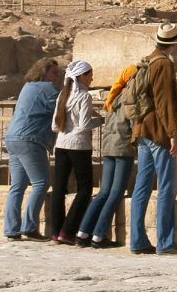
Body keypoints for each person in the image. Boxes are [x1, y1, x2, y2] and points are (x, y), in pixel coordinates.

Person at [129, 24, 177, 255]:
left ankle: (137, 240)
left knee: (141, 187)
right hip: (158, 132)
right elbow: (165, 103)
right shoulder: (163, 64)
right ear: (174, 44)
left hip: (142, 129)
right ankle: (165, 242)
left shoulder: (147, 60)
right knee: (166, 186)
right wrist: (173, 134)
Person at [75, 63, 137, 248]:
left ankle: (82, 232)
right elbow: (133, 124)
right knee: (115, 193)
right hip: (123, 148)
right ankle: (99, 235)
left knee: (103, 192)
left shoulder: (113, 96)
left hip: (108, 148)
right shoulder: (130, 97)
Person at [3, 58, 62, 241]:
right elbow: (63, 105)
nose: (56, 77)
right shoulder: (48, 89)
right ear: (43, 72)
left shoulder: (28, 87)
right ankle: (29, 226)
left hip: (13, 137)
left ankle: (11, 229)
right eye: (54, 73)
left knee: (17, 186)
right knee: (41, 183)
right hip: (30, 139)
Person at [48, 60, 101, 244]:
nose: (92, 78)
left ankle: (56, 232)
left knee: (59, 189)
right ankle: (68, 231)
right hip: (78, 146)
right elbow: (84, 125)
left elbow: (55, 125)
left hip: (61, 145)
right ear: (81, 76)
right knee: (85, 189)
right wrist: (102, 120)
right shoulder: (84, 96)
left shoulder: (63, 94)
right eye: (90, 74)